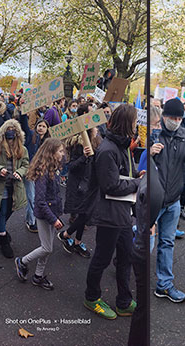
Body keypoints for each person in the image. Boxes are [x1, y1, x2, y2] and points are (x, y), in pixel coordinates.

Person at [84, 104, 141, 319]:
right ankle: (91, 297)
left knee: (126, 256)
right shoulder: (108, 150)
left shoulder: (122, 145)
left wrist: (137, 175)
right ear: (126, 123)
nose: (137, 125)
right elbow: (111, 185)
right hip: (109, 214)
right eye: (134, 121)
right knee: (102, 258)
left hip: (122, 212)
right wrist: (137, 183)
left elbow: (125, 173)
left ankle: (124, 301)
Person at [152, 98, 185, 303]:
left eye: (180, 118)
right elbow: (138, 164)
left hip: (173, 199)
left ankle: (164, 284)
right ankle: (127, 269)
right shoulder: (154, 132)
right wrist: (149, 152)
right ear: (164, 117)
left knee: (167, 242)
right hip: (153, 199)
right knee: (145, 242)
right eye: (173, 117)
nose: (176, 121)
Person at [15, 138, 65, 290]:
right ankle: (22, 261)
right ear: (51, 153)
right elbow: (40, 201)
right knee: (47, 248)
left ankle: (38, 275)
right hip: (45, 216)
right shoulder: (43, 173)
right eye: (60, 151)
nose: (63, 154)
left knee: (47, 246)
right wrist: (53, 219)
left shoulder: (53, 168)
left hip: (52, 213)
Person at [58, 104, 100, 258]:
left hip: (89, 183)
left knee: (85, 214)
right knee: (83, 214)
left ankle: (76, 241)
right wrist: (84, 157)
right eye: (90, 113)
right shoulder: (76, 142)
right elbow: (71, 166)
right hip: (78, 185)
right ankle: (65, 235)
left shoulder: (95, 138)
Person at [0, 119, 30, 258]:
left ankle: (0, 227)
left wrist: (20, 172)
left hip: (15, 185)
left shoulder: (22, 149)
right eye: (8, 130)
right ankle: (3, 238)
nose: (11, 133)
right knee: (3, 210)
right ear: (3, 132)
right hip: (1, 185)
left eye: (13, 130)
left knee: (12, 208)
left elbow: (26, 165)